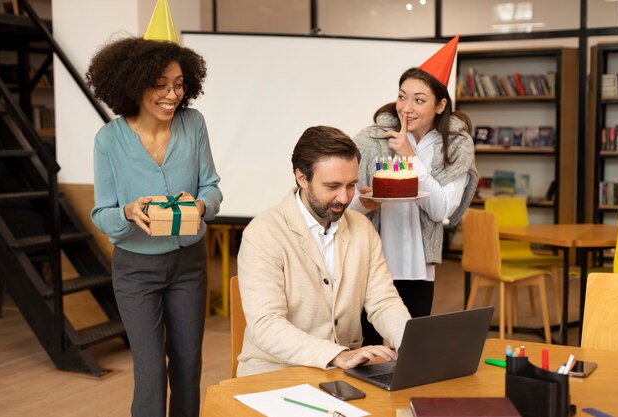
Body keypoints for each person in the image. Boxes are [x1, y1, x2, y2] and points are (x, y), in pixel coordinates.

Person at [86, 30, 222, 417]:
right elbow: (102, 213)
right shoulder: (109, 140)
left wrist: (200, 206)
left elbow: (211, 187)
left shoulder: (193, 124)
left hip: (188, 264)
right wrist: (128, 212)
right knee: (149, 372)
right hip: (136, 270)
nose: (172, 94)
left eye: (179, 85)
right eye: (160, 85)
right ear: (133, 85)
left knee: (187, 364)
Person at [236, 125, 411, 377]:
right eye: (332, 186)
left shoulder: (363, 229)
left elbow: (383, 302)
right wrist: (338, 355)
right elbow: (266, 325)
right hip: (274, 374)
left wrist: (412, 343)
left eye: (351, 185)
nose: (344, 197)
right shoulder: (263, 233)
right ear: (302, 177)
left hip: (341, 373)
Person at [349, 35, 478, 345]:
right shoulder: (371, 140)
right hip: (374, 266)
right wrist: (364, 202)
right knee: (370, 350)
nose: (407, 108)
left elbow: (441, 209)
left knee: (411, 349)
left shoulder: (456, 147)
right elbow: (348, 206)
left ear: (440, 104)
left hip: (420, 270)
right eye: (402, 96)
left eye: (419, 100)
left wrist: (410, 156)